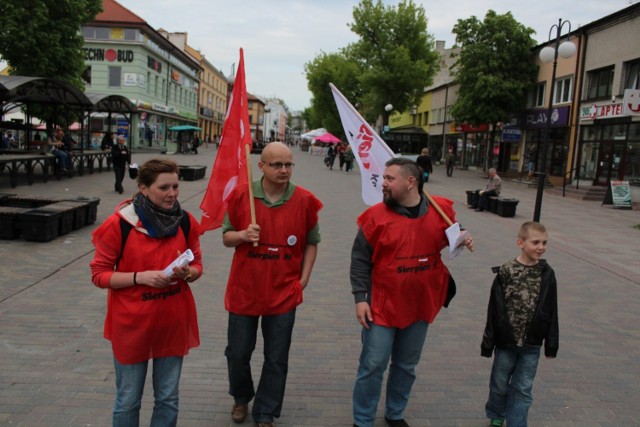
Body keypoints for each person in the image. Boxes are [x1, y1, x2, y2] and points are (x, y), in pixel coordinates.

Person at [350, 158, 473, 427]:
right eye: (383, 177)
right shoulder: (375, 217)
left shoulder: (440, 209)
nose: (383, 183)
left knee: (406, 365)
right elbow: (359, 260)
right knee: (373, 365)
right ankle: (362, 420)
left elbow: (454, 231)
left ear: (411, 182)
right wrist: (361, 297)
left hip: (421, 303)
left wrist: (463, 235)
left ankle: (395, 413)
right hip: (382, 305)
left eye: (390, 178)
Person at [90, 158, 203, 426]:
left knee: (168, 398)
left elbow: (197, 264)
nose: (172, 193)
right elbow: (99, 275)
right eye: (164, 187)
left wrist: (187, 274)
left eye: (176, 186)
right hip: (132, 323)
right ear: (143, 187)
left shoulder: (184, 221)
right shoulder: (120, 225)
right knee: (128, 399)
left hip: (172, 320)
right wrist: (141, 277)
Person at [221, 141, 323, 427]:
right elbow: (226, 237)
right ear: (262, 166)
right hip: (245, 289)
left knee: (276, 356)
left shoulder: (304, 200)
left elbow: (312, 242)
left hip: (283, 292)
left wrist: (304, 278)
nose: (284, 170)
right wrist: (242, 235)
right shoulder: (242, 195)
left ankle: (266, 410)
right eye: (277, 164)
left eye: (289, 164)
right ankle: (241, 397)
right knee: (238, 352)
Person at [481, 221, 558, 427]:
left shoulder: (547, 273)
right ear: (520, 243)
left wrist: (551, 343)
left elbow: (552, 309)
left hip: (532, 344)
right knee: (499, 384)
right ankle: (496, 414)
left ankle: (517, 423)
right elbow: (494, 309)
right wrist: (488, 342)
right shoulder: (506, 271)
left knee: (523, 388)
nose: (541, 247)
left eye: (544, 242)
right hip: (506, 341)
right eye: (536, 242)